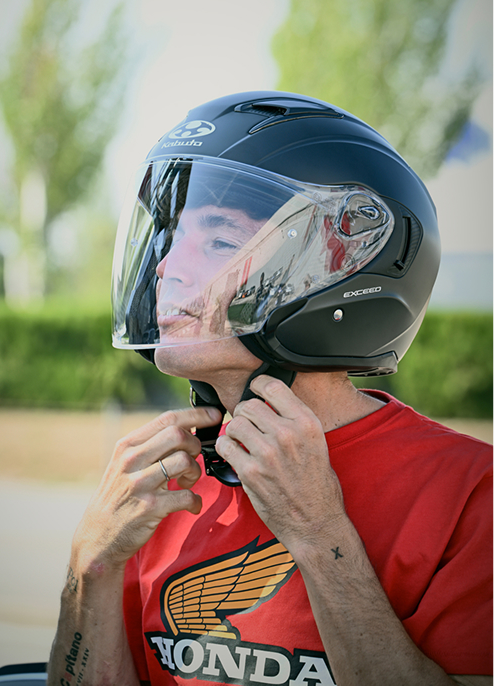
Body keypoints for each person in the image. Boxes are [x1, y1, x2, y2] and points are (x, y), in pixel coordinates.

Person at [48, 91, 492, 686]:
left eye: (221, 242)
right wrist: (90, 568)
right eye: (171, 238)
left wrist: (319, 531)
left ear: (336, 274)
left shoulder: (467, 493)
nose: (166, 268)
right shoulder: (161, 481)